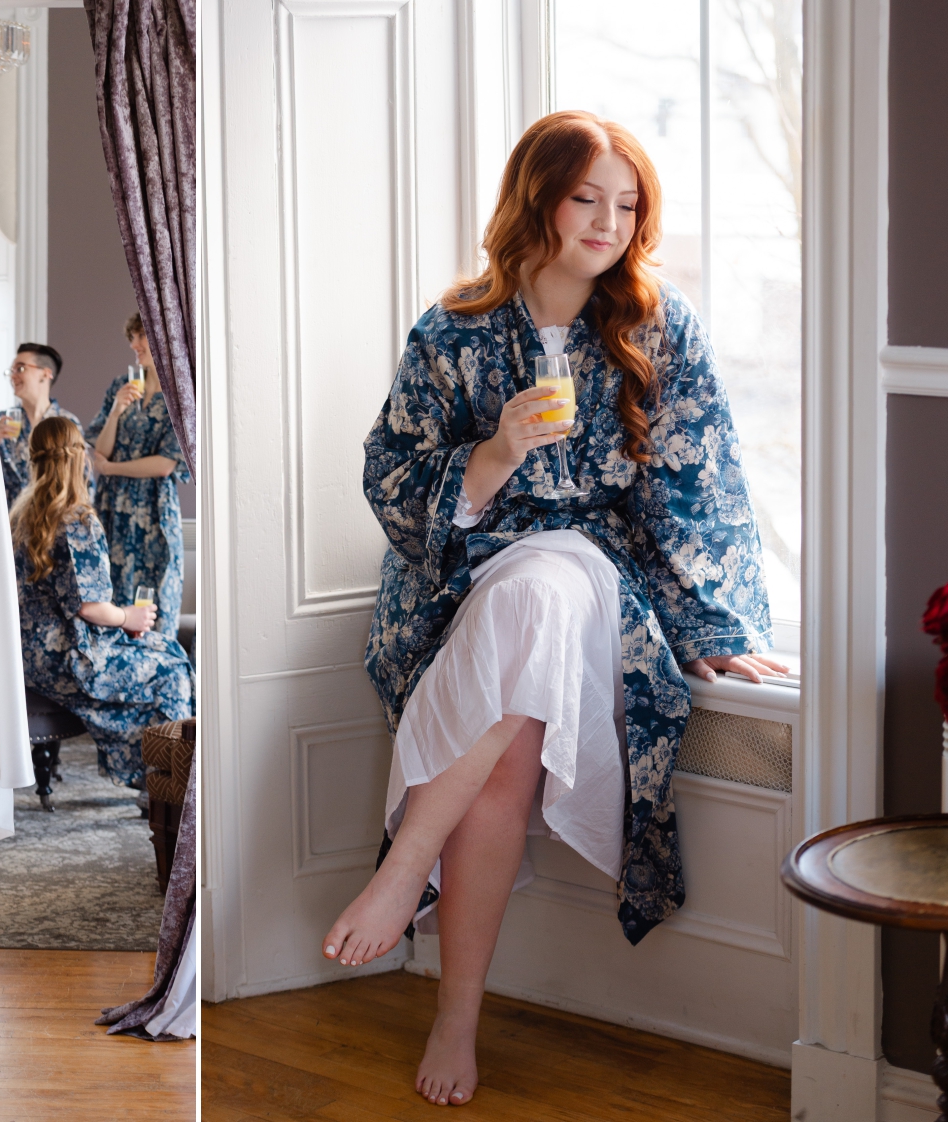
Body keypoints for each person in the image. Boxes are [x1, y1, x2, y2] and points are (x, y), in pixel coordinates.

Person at [321, 111, 787, 1108]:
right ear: (537, 196)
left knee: (542, 589)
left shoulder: (662, 328)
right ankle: (456, 1016)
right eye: (587, 197)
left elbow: (703, 487)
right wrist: (493, 453)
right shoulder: (453, 327)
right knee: (509, 754)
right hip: (459, 572)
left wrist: (715, 628)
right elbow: (390, 471)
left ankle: (406, 868)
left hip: (592, 566)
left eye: (628, 204)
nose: (609, 221)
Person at [12, 416, 192, 788]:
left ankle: (152, 774)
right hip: (71, 660)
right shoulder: (77, 520)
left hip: (31, 659)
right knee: (172, 666)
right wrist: (129, 616)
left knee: (161, 650)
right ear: (79, 458)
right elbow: (89, 607)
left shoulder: (20, 517)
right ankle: (169, 787)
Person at [86, 314, 189, 636]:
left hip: (154, 511)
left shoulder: (181, 395)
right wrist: (116, 411)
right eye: (132, 337)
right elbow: (100, 448)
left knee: (156, 596)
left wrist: (111, 469)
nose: (134, 345)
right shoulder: (121, 386)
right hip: (112, 507)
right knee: (112, 593)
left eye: (141, 336)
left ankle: (159, 674)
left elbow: (164, 465)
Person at [0, 343, 91, 506]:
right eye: (11, 371)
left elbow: (83, 481)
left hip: (52, 519)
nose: (13, 376)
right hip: (7, 522)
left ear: (45, 374)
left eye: (21, 369)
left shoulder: (68, 423)